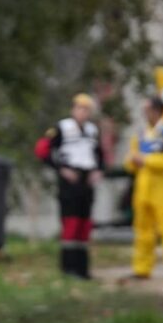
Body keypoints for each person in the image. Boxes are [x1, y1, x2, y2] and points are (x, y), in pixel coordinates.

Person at [34, 93, 103, 278]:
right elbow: (42, 150)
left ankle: (83, 269)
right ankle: (68, 268)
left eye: (86, 109)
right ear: (73, 110)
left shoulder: (92, 130)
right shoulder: (61, 128)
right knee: (71, 224)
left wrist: (98, 170)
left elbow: (99, 154)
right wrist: (61, 169)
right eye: (79, 108)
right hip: (69, 181)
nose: (83, 113)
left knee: (84, 225)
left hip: (86, 182)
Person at [124, 95, 163, 279]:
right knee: (143, 231)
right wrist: (133, 162)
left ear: (157, 111)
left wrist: (146, 160)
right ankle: (142, 269)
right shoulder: (142, 133)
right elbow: (130, 161)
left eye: (147, 110)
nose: (144, 114)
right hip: (143, 189)